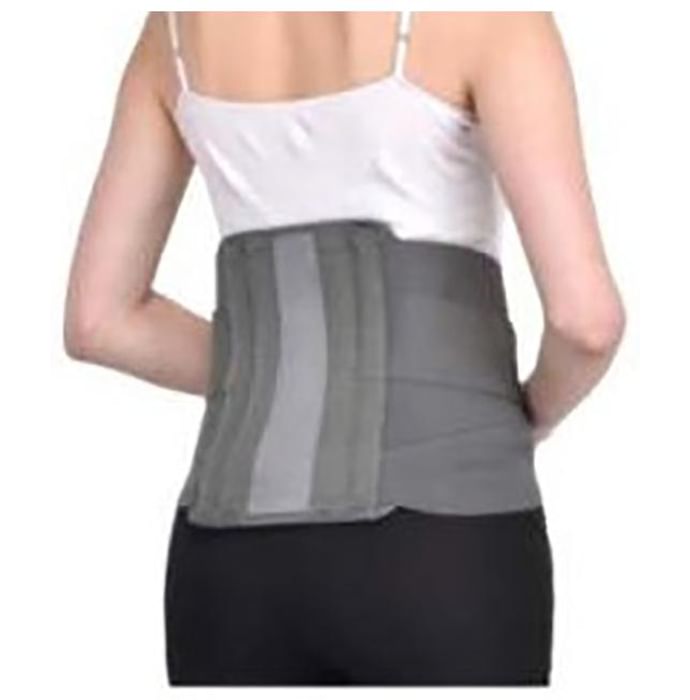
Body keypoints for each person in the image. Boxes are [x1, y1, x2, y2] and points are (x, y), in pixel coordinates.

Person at [63, 11, 626, 686]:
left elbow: (100, 319)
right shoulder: (488, 18)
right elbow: (587, 322)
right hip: (444, 549)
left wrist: (283, 368)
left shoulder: (176, 31)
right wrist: (532, 415)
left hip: (228, 571)